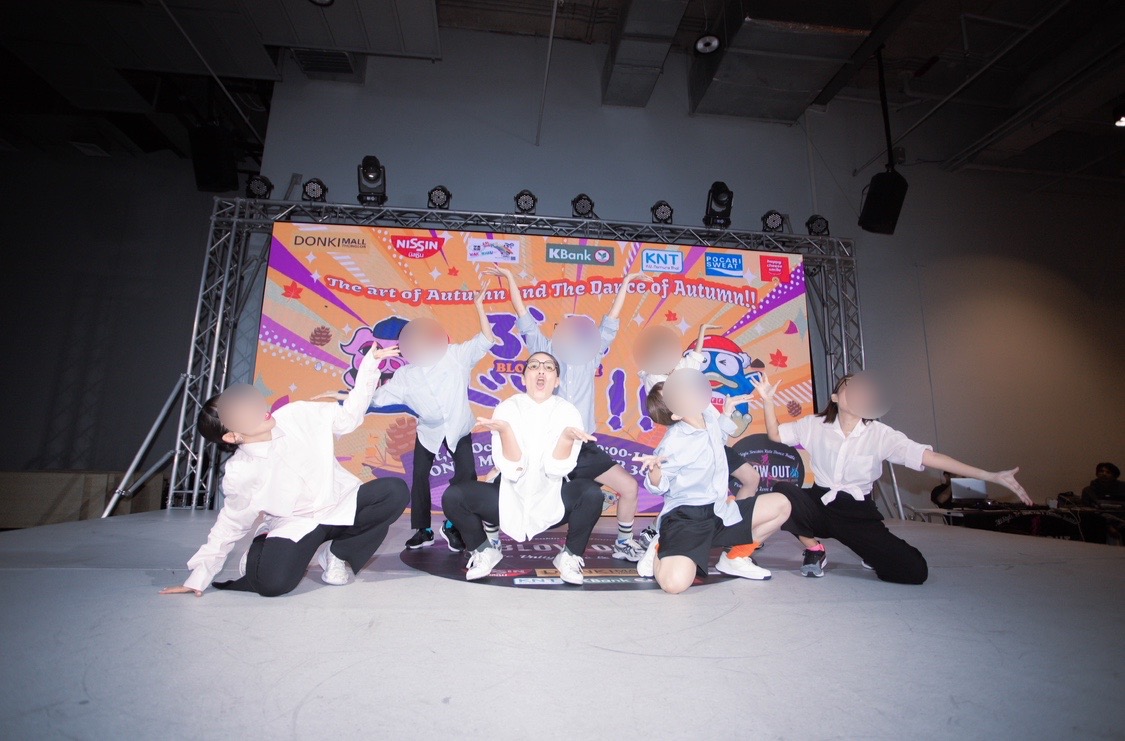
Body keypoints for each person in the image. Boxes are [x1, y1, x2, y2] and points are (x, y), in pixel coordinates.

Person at [159, 346, 409, 598]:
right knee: (272, 585)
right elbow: (232, 523)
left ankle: (338, 554)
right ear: (232, 436)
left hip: (340, 504)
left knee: (393, 492)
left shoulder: (295, 414)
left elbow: (349, 418)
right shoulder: (240, 472)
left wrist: (369, 366)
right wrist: (200, 575)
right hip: (297, 523)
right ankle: (263, 548)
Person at [758, 372, 1030, 584]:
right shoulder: (814, 425)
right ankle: (814, 549)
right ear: (835, 397)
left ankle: (870, 553)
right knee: (784, 492)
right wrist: (768, 402)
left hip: (856, 513)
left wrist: (989, 475)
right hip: (820, 502)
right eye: (850, 385)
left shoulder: (882, 435)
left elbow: (929, 457)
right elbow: (776, 434)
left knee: (913, 572)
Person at [486, 265, 651, 562]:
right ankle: (491, 543)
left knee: (629, 487)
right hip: (544, 445)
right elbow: (522, 314)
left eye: (581, 330)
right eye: (567, 328)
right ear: (556, 332)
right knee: (497, 486)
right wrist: (510, 277)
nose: (575, 333)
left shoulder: (591, 355)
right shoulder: (544, 351)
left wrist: (627, 282)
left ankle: (624, 542)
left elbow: (611, 322)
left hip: (582, 445)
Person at [441, 351, 605, 585]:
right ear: (524, 378)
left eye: (548, 367)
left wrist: (566, 439)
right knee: (454, 496)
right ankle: (484, 551)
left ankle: (569, 556)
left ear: (557, 381)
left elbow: (556, 470)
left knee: (591, 493)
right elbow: (512, 469)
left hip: (552, 500)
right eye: (534, 366)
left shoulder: (568, 413)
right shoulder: (508, 408)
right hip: (509, 499)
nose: (541, 370)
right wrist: (506, 431)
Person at [632, 368, 792, 594]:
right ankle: (660, 547)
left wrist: (726, 413)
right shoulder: (674, 442)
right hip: (688, 518)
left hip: (719, 510)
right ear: (675, 414)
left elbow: (717, 439)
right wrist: (655, 471)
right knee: (674, 585)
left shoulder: (707, 416)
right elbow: (658, 487)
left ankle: (735, 558)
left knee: (781, 505)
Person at [367, 282, 498, 551]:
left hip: (459, 427)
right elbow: (376, 398)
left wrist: (479, 306)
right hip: (428, 431)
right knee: (419, 477)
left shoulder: (456, 356)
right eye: (412, 341)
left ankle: (453, 524)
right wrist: (357, 386)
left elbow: (486, 340)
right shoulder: (405, 375)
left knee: (466, 476)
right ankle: (423, 530)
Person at [635, 322, 763, 508]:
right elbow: (657, 484)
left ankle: (737, 523)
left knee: (751, 478)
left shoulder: (682, 366)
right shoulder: (654, 379)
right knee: (697, 498)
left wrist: (702, 331)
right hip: (692, 443)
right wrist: (655, 472)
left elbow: (695, 357)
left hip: (712, 437)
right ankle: (664, 524)